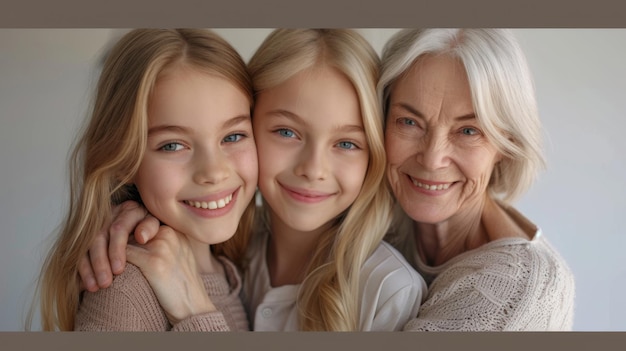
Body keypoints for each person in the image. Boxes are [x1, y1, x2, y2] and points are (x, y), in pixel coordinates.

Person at [75, 29, 426, 332]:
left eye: (347, 143)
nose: (313, 169)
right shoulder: (231, 250)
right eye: (287, 132)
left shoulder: (389, 291)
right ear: (253, 120)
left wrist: (195, 310)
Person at [28, 28, 258, 331]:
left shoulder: (241, 262)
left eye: (233, 136)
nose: (214, 172)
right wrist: (198, 320)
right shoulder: (124, 293)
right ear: (124, 160)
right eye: (173, 145)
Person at [378, 28, 575, 331]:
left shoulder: (519, 292)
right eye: (409, 122)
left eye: (468, 131)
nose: (432, 158)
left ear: (505, 145)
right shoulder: (370, 215)